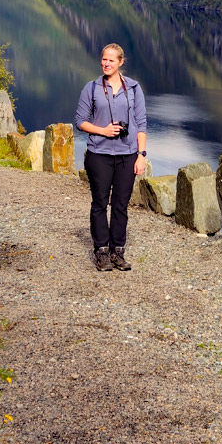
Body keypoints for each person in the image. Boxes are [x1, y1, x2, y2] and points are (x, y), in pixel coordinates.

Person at [73, 42, 148, 272]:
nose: (106, 63)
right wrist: (103, 130)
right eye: (104, 59)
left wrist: (141, 155)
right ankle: (101, 252)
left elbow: (142, 124)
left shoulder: (134, 88)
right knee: (99, 202)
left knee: (121, 205)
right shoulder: (92, 88)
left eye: (111, 60)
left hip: (127, 155)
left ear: (120, 62)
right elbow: (80, 121)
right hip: (99, 154)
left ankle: (118, 251)